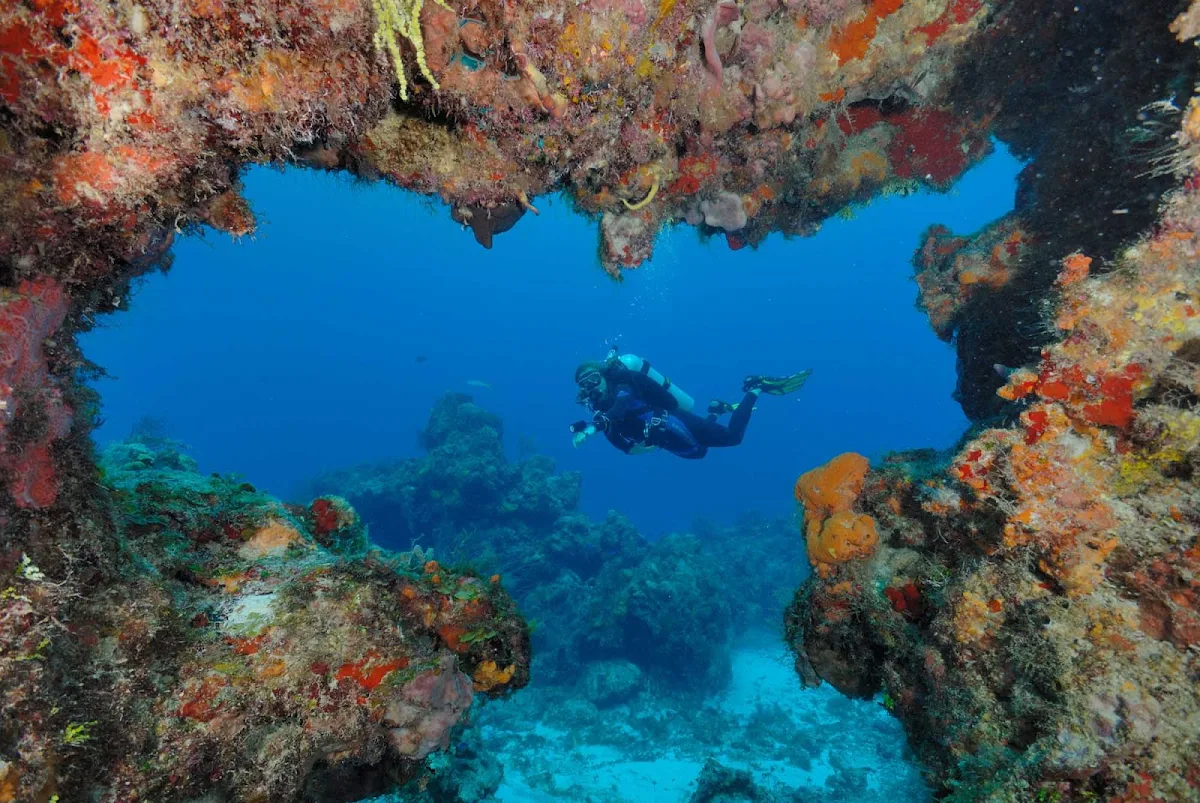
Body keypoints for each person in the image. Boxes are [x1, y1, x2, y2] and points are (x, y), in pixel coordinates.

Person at [569, 349, 811, 459]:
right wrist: (644, 447)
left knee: (733, 437)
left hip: (675, 419)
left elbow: (619, 408)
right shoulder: (601, 411)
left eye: (593, 379)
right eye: (585, 384)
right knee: (700, 451)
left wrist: (592, 428)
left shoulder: (622, 388)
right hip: (667, 438)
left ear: (603, 376)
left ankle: (755, 387)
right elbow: (622, 445)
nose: (591, 387)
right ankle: (715, 410)